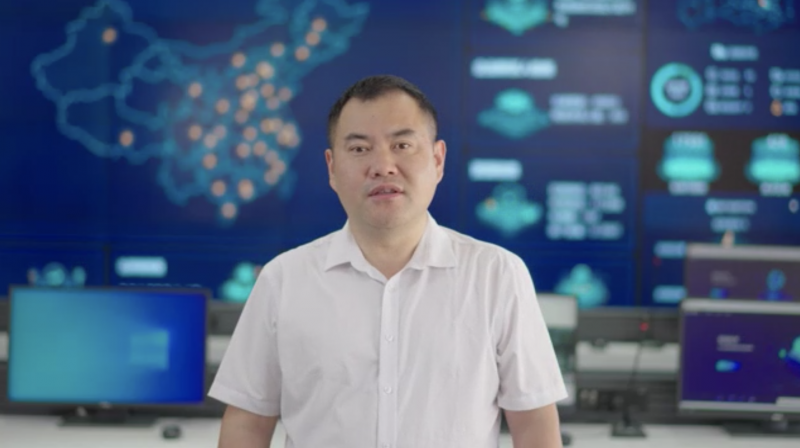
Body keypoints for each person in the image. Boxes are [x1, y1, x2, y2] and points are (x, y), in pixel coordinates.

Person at [208, 75, 568, 448]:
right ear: (332, 168)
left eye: (402, 145)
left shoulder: (497, 274)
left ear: (437, 159)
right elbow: (247, 423)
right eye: (359, 149)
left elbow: (534, 423)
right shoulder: (284, 279)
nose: (383, 166)